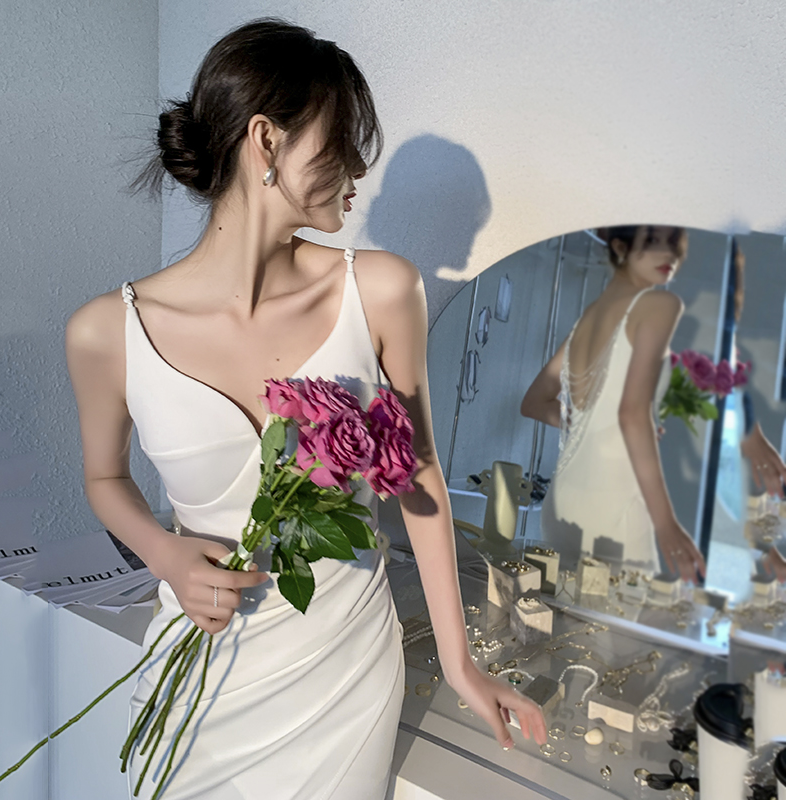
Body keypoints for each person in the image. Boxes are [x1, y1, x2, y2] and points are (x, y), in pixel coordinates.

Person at [64, 19, 545, 800]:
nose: (358, 167)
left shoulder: (381, 290)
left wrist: (460, 663)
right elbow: (103, 479)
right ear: (266, 140)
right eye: (343, 140)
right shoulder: (106, 332)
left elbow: (418, 474)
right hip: (203, 667)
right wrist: (164, 554)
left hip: (343, 672)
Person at [521, 225, 706, 584]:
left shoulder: (587, 319)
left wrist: (594, 426)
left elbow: (533, 403)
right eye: (653, 241)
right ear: (620, 247)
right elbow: (632, 415)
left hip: (564, 502)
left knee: (565, 613)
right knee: (622, 618)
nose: (669, 254)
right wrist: (667, 526)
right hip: (614, 505)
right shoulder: (660, 305)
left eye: (674, 243)